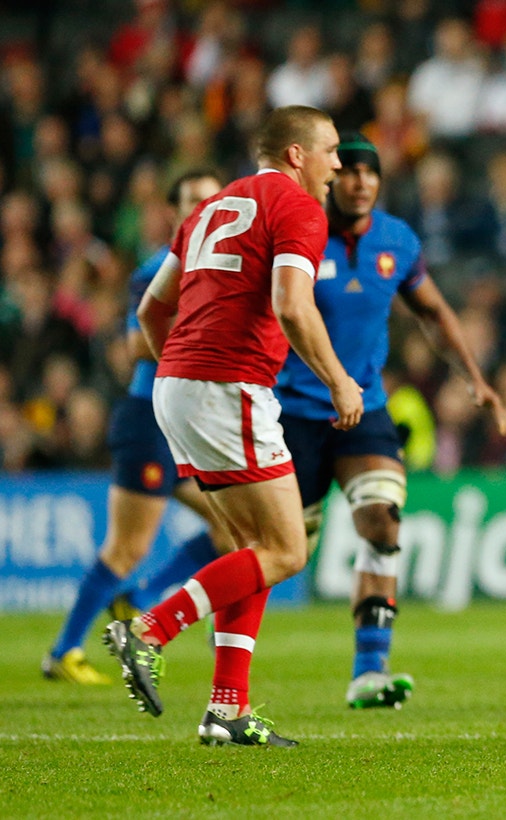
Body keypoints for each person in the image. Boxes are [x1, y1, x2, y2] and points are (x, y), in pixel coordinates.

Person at [105, 105, 362, 747]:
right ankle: (147, 630)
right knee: (287, 549)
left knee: (252, 548)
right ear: (296, 154)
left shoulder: (210, 208)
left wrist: (186, 369)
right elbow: (291, 306)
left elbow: (150, 309)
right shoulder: (298, 208)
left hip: (178, 386)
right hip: (226, 386)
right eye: (330, 150)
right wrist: (338, 379)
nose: (340, 164)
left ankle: (226, 710)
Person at [277, 132, 506, 709]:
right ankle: (216, 639)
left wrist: (474, 379)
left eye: (370, 173)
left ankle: (370, 670)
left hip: (366, 409)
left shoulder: (396, 240)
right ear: (331, 179)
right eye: (349, 171)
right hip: (296, 414)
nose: (360, 181)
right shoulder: (300, 235)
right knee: (284, 553)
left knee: (382, 521)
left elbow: (433, 311)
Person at [41, 170, 232, 685]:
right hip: (150, 419)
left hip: (191, 424)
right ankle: (63, 650)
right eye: (191, 199)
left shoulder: (221, 267)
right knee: (127, 546)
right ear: (173, 211)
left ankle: (139, 599)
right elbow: (139, 345)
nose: (201, 206)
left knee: (232, 528)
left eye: (210, 199)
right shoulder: (157, 270)